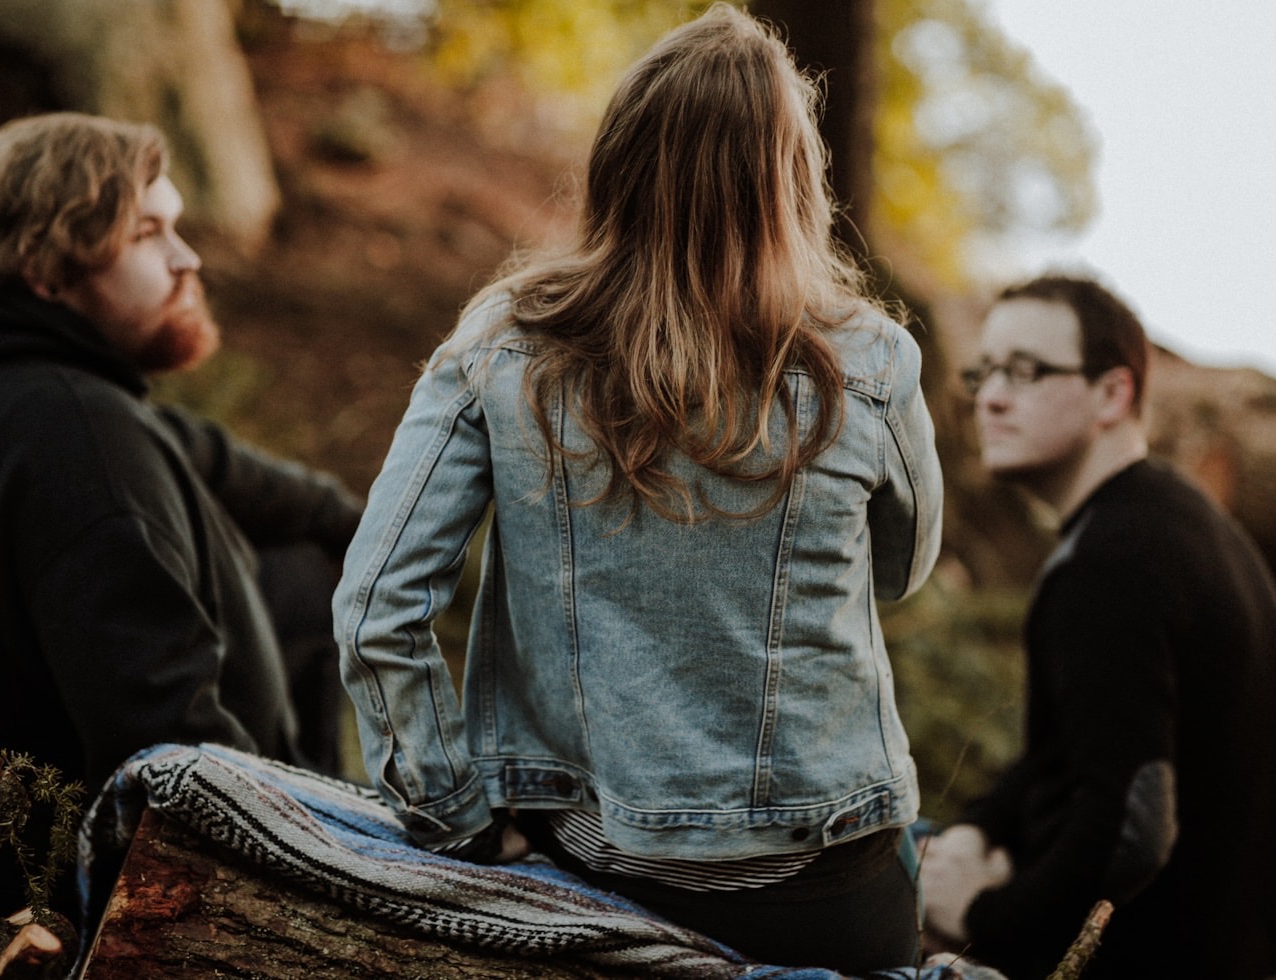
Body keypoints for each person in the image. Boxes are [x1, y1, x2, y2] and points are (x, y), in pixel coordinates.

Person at [333, 5, 942, 973]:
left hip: (593, 864)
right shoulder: (869, 360)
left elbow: (374, 605)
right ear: (795, 178)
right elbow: (903, 569)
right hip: (828, 870)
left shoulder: (507, 341)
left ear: (619, 159)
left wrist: (456, 824)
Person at [0, 113, 362, 864]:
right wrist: (322, 863)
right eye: (147, 234)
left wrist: (370, 529)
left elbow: (204, 456)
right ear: (49, 270)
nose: (186, 257)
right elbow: (177, 756)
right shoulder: (76, 445)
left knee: (302, 556)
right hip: (31, 871)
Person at [921, 274, 1276, 978]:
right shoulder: (1164, 519)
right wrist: (978, 828)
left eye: (1027, 371)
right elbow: (1081, 755)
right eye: (986, 371)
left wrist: (978, 917)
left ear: (1113, 394)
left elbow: (1129, 829)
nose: (992, 397)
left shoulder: (1114, 563)